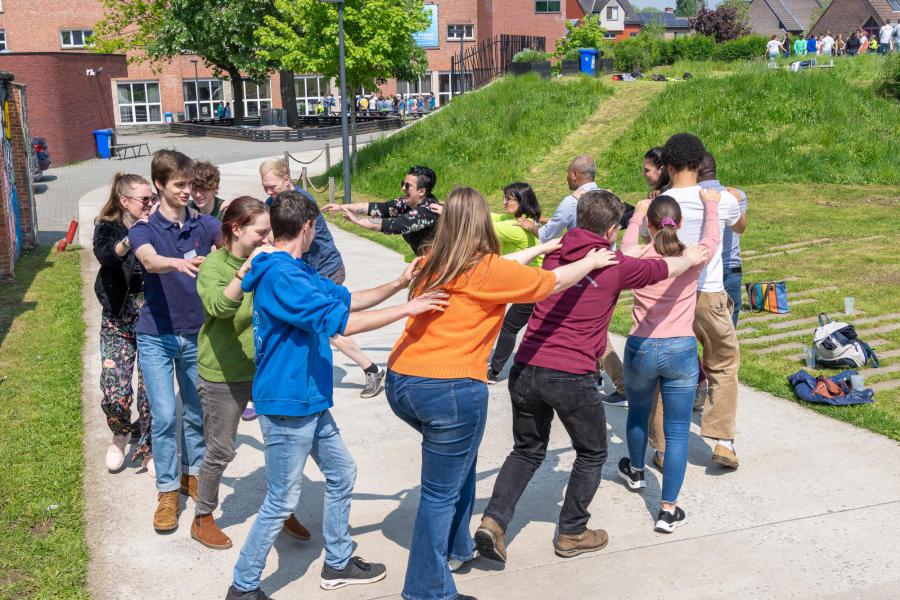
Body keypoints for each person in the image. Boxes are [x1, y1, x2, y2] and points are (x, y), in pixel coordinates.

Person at [385, 187, 618, 600]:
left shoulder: (432, 261)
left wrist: (546, 244)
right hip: (449, 389)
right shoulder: (487, 270)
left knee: (459, 466)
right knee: (439, 494)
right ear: (481, 224)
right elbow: (552, 282)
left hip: (402, 382)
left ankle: (457, 548)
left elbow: (506, 265)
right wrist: (591, 260)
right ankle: (426, 590)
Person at [227, 191, 448, 600]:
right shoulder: (282, 277)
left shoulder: (297, 269)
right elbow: (344, 323)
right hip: (288, 403)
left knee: (342, 472)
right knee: (281, 498)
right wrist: (410, 309)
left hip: (309, 399)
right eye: (318, 228)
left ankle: (338, 560)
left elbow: (347, 300)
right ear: (308, 227)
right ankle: (243, 587)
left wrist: (401, 284)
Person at [475, 190, 708, 565]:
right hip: (571, 375)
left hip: (527, 367)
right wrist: (691, 256)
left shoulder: (554, 254)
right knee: (592, 451)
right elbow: (662, 269)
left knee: (527, 450)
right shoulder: (613, 264)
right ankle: (572, 531)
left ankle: (494, 522)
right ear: (612, 229)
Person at [190, 197, 313, 550]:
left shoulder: (266, 258)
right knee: (221, 450)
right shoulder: (215, 265)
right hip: (222, 374)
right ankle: (203, 517)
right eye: (261, 233)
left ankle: (279, 508)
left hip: (264, 370)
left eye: (269, 234)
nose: (266, 240)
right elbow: (219, 307)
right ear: (236, 229)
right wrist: (246, 271)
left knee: (281, 445)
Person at [618, 190, 720, 534]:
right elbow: (711, 238)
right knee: (677, 432)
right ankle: (667, 508)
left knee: (637, 412)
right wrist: (711, 204)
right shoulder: (690, 257)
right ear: (680, 223)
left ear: (650, 225)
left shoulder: (635, 255)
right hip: (680, 350)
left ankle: (635, 469)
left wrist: (636, 215)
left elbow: (623, 247)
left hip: (641, 346)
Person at [129, 150, 219, 532]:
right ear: (160, 185)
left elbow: (240, 239)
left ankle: (192, 473)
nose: (187, 192)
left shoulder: (205, 225)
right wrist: (176, 263)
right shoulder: (144, 229)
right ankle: (167, 491)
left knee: (197, 411)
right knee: (165, 415)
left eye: (191, 185)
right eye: (179, 185)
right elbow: (148, 260)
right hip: (156, 337)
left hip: (196, 333)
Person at [646, 133, 745, 470]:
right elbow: (740, 225)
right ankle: (722, 442)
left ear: (667, 166)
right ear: (700, 163)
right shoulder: (718, 199)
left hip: (670, 297)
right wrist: (730, 198)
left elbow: (647, 238)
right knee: (723, 365)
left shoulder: (659, 204)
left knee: (665, 372)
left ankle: (661, 448)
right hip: (710, 293)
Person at [259, 158, 386, 398]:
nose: (268, 191)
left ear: (287, 179)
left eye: (271, 185)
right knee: (317, 326)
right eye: (264, 186)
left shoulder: (304, 203)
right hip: (304, 272)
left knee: (326, 325)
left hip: (325, 269)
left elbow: (298, 245)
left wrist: (271, 242)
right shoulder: (272, 203)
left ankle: (372, 369)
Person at [518, 155, 632, 407]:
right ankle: (597, 376)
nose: (567, 177)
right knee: (594, 329)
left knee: (589, 332)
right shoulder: (606, 196)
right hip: (607, 266)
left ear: (577, 175)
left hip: (578, 271)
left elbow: (548, 236)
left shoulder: (572, 202)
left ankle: (622, 384)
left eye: (568, 173)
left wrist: (530, 226)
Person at [93, 173, 154, 475]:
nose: (150, 203)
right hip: (118, 318)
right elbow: (106, 256)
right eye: (145, 199)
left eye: (152, 198)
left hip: (152, 318)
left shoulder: (158, 223)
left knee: (150, 388)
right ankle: (120, 435)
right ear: (124, 201)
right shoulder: (107, 227)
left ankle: (148, 447)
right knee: (113, 387)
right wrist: (134, 236)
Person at [486, 182, 544, 383]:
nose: (504, 202)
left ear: (521, 200)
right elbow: (490, 216)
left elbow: (485, 224)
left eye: (508, 199)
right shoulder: (519, 219)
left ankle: (493, 372)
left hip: (534, 285)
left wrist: (458, 212)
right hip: (530, 282)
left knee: (510, 327)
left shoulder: (516, 227)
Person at [322, 165, 440, 256]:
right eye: (403, 184)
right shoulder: (405, 203)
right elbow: (379, 208)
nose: (403, 188)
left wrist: (357, 220)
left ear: (422, 191)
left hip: (442, 265)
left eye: (408, 186)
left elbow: (394, 226)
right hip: (427, 261)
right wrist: (342, 207)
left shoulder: (426, 212)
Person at [698, 153, 747, 327]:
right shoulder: (737, 195)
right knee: (729, 328)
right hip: (730, 265)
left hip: (704, 269)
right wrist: (736, 202)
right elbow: (740, 228)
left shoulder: (693, 196)